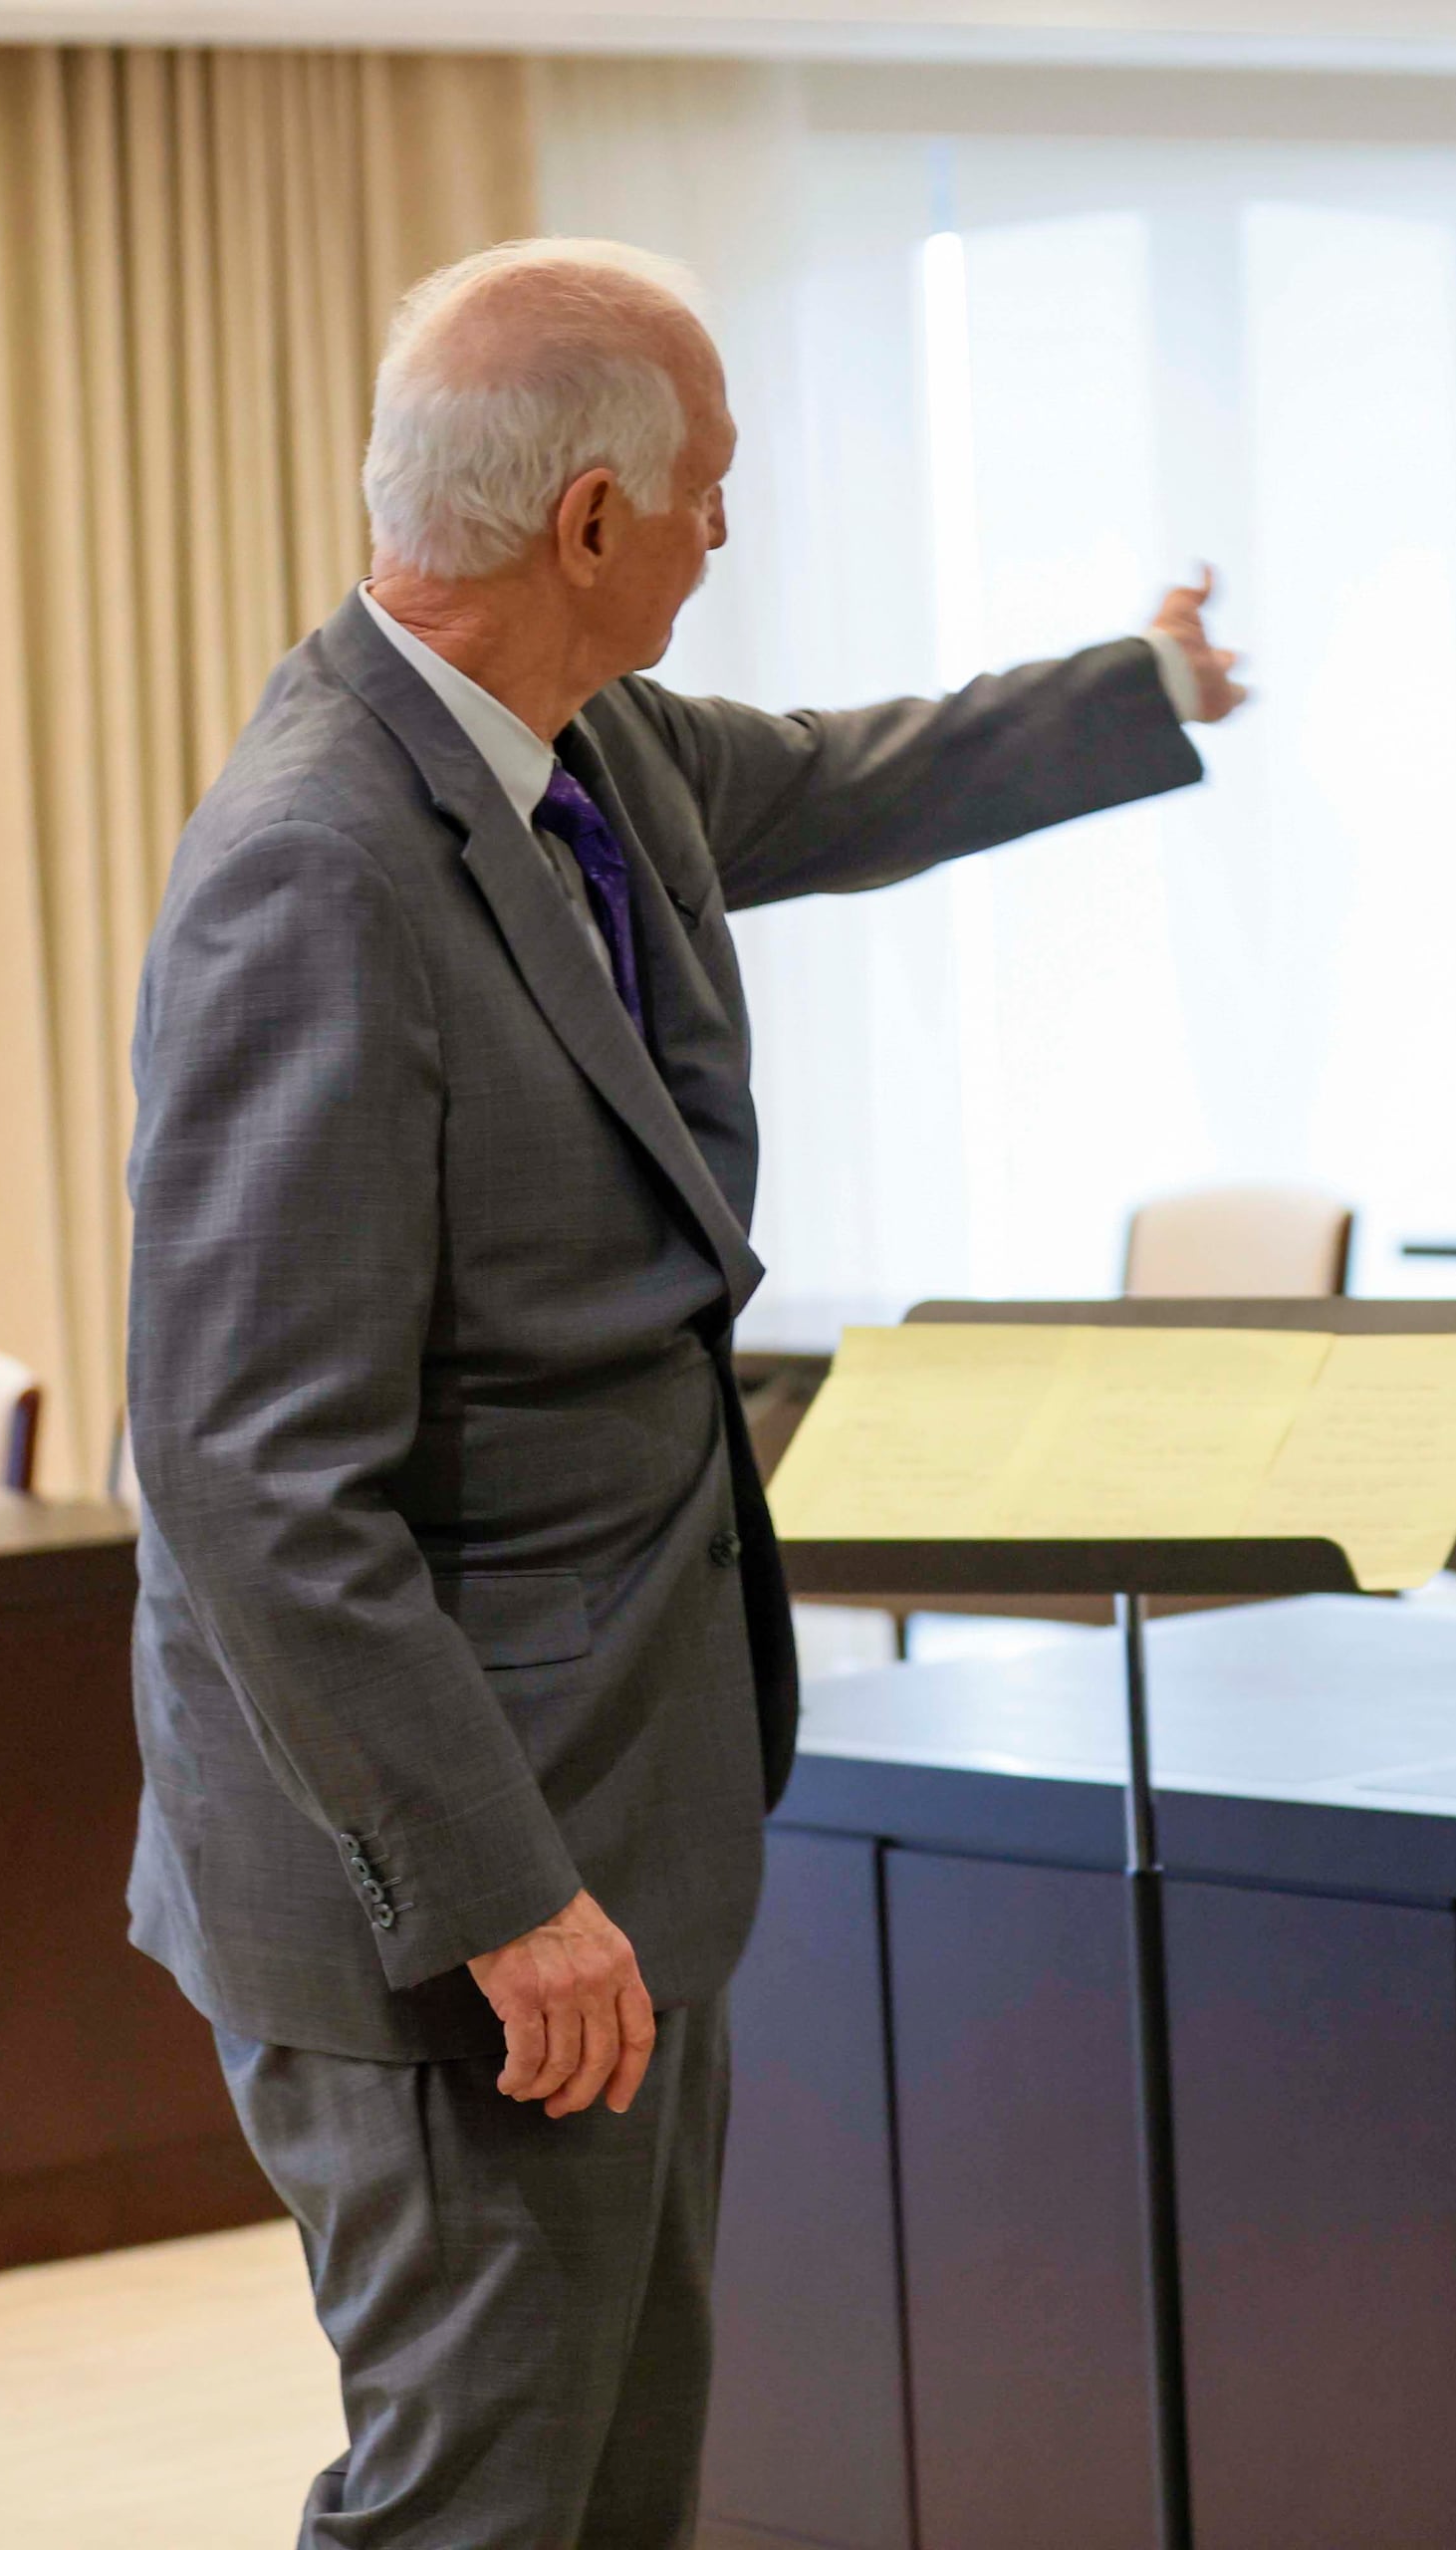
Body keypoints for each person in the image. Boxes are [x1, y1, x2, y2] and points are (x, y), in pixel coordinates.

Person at [120, 237, 1244, 2548]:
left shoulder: (585, 748)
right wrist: (503, 1893)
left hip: (621, 1811)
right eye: (712, 485)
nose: (733, 527)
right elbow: (250, 1477)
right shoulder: (316, 865)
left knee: (614, 2468)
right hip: (453, 1876)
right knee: (478, 2489)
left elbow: (840, 775)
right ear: (592, 524)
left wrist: (1135, 686)